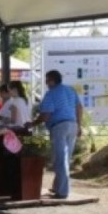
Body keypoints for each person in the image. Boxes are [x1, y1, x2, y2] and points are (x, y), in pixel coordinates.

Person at [27, 70, 83, 200]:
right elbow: (79, 108)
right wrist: (79, 125)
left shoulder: (51, 94)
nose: (46, 82)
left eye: (47, 80)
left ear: (52, 80)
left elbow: (46, 115)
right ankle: (58, 187)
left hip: (59, 126)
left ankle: (63, 191)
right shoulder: (70, 90)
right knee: (65, 158)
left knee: (60, 158)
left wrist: (33, 124)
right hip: (73, 125)